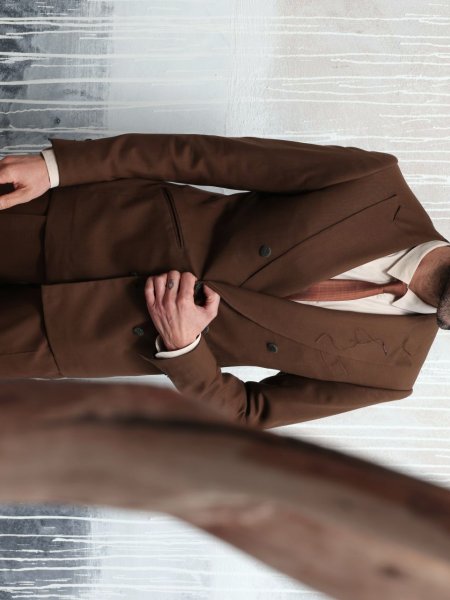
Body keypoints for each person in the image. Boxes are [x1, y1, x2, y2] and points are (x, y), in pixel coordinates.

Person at [0, 133, 449, 428]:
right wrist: (57, 168)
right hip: (83, 223)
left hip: (78, 338)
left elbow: (247, 414)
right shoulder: (375, 185)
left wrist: (184, 348)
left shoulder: (392, 374)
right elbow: (199, 156)